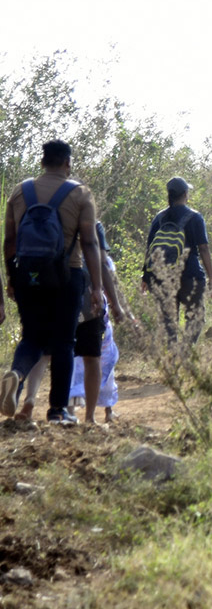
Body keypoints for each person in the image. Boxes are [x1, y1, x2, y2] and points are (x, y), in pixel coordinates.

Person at [0, 140, 104, 424]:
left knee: (32, 337)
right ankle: (57, 410)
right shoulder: (80, 193)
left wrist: (12, 279)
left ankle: (17, 374)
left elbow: (9, 242)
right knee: (63, 342)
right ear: (67, 163)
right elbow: (90, 243)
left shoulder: (19, 192)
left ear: (42, 161)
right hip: (67, 276)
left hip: (28, 275)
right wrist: (96, 287)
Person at [19, 221, 131, 424]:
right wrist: (114, 303)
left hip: (52, 295)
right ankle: (89, 417)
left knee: (48, 353)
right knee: (92, 357)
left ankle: (33, 401)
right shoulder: (92, 224)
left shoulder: (50, 219)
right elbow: (102, 264)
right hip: (87, 299)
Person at [143, 177, 212, 346]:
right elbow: (203, 248)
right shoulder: (195, 217)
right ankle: (186, 351)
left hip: (162, 278)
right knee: (195, 318)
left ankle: (173, 354)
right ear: (185, 194)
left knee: (168, 322)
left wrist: (145, 276)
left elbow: (150, 248)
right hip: (191, 275)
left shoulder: (159, 218)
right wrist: (211, 276)